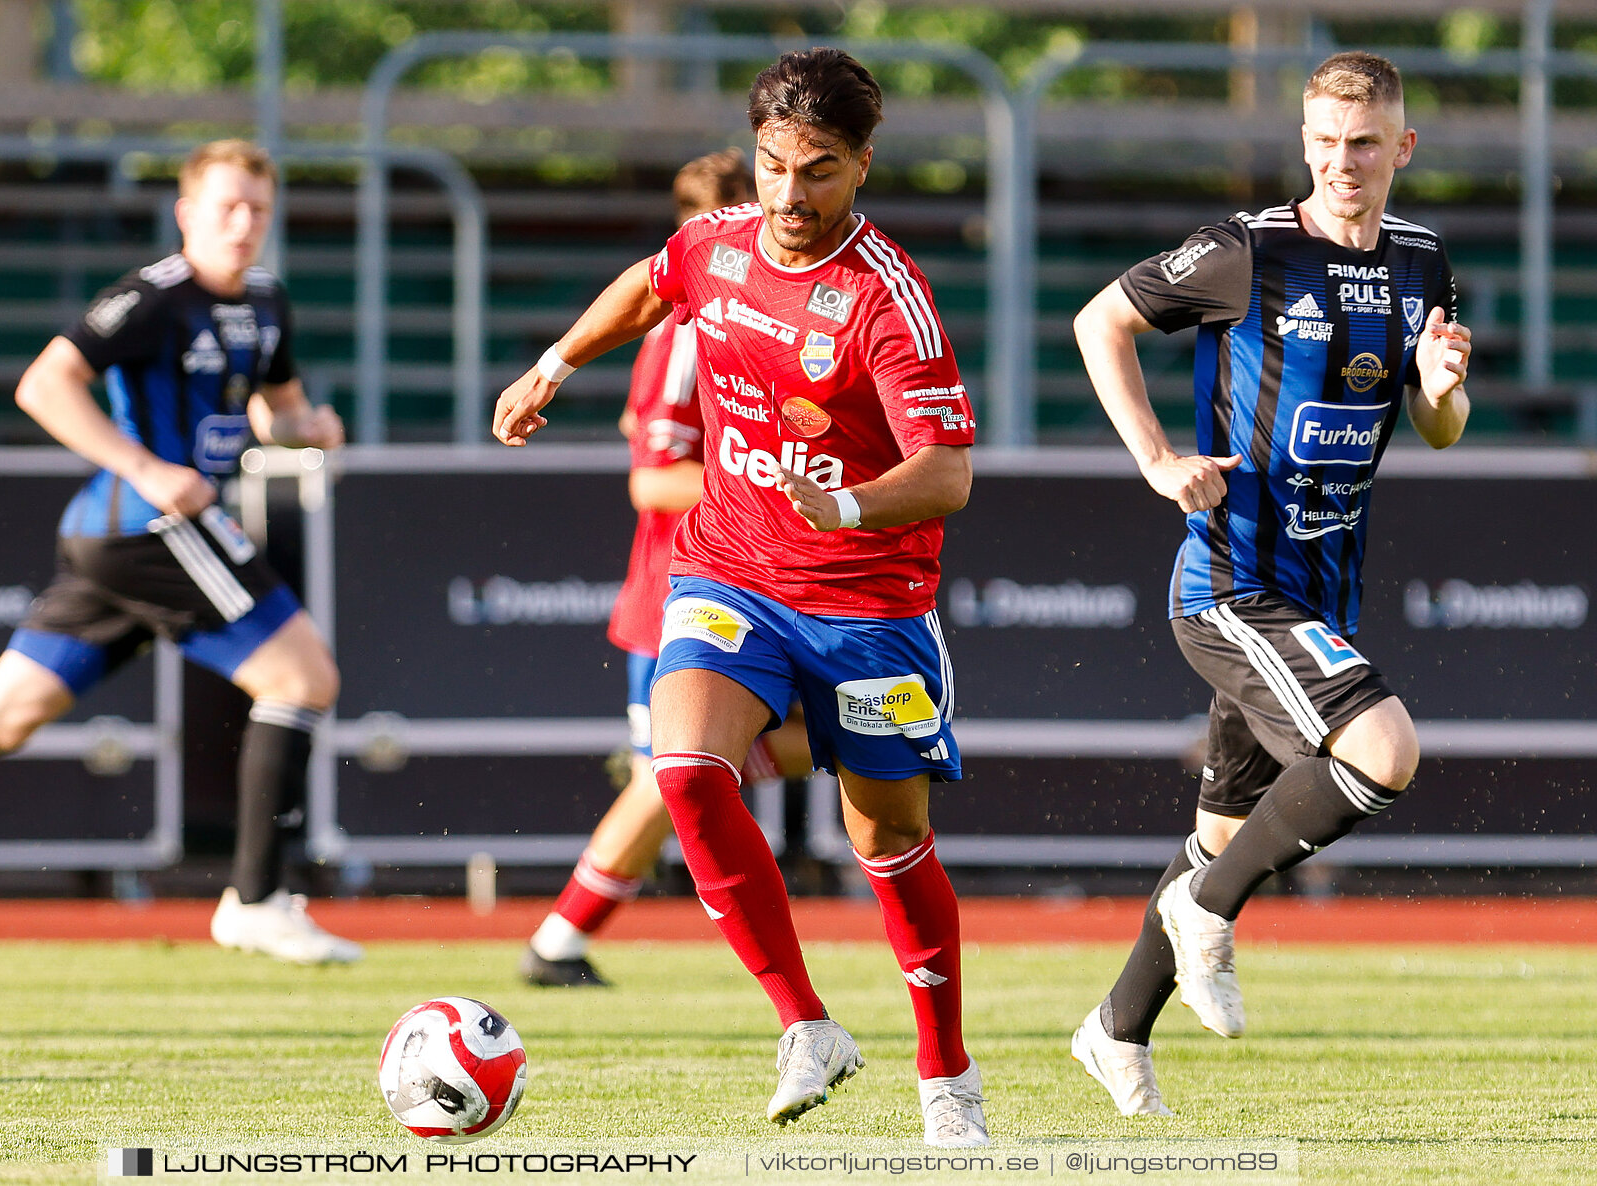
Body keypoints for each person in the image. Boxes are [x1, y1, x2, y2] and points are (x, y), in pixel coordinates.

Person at [494, 48, 986, 1148]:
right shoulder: (717, 246)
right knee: (683, 768)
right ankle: (805, 1022)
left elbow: (948, 471)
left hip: (868, 605)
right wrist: (555, 363)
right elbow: (653, 280)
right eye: (773, 166)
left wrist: (849, 508)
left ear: (862, 167)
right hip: (731, 572)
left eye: (818, 172)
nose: (789, 196)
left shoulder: (885, 299)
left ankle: (946, 1071)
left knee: (890, 847)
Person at [0, 140, 362, 965]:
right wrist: (144, 467)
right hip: (148, 526)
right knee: (303, 676)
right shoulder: (151, 297)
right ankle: (258, 898)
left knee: (0, 718)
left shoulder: (269, 302)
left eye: (259, 210)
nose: (243, 226)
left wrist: (306, 429)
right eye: (227, 208)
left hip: (119, 546)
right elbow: (43, 384)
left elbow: (275, 409)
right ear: (187, 214)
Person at [1069, 52, 1471, 1115]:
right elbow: (1098, 320)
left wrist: (1440, 391)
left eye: (1368, 144)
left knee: (1216, 832)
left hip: (1322, 588)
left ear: (1404, 148)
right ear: (1305, 143)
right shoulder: (1247, 250)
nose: (1346, 164)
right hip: (1231, 583)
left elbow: (1436, 429)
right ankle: (1209, 911)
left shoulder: (1425, 261)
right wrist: (1158, 460)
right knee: (1384, 751)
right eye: (1328, 144)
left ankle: (1114, 1027)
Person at [519, 149, 811, 989]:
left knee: (768, 749)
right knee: (668, 776)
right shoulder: (690, 322)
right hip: (678, 591)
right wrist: (779, 490)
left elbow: (637, 421)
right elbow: (651, 472)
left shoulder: (747, 317)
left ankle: (561, 939)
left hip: (752, 582)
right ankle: (558, 938)